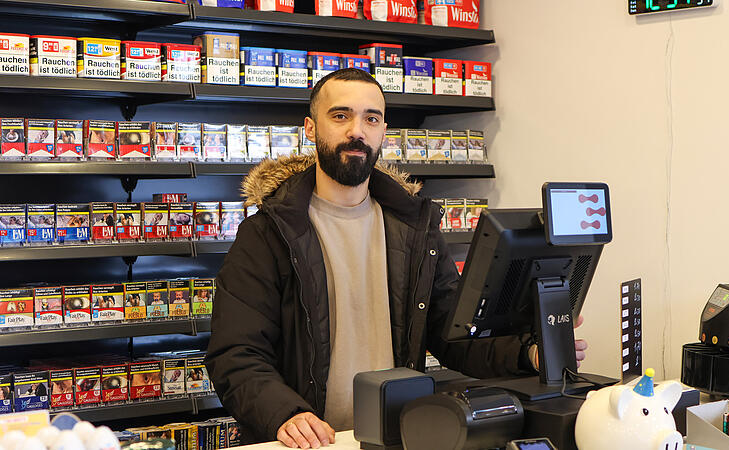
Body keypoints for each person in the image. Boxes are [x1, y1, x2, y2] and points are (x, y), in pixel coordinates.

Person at [205, 68, 588, 448]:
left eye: (371, 118)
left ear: (383, 132)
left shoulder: (415, 229)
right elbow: (235, 354)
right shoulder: (268, 233)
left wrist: (530, 352)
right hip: (312, 443)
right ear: (310, 128)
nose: (357, 130)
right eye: (340, 116)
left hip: (397, 436)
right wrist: (285, 414)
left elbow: (451, 333)